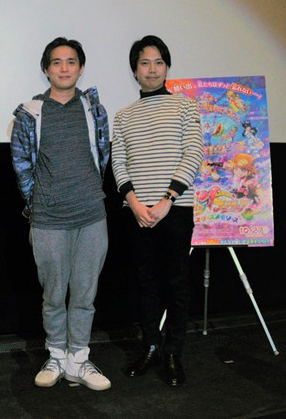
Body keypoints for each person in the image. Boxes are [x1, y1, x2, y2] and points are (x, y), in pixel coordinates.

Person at [10, 37, 111, 391]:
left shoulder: (94, 109)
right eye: (56, 62)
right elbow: (21, 166)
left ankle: (78, 361)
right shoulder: (29, 113)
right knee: (53, 295)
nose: (64, 68)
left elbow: (102, 156)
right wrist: (38, 204)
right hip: (48, 219)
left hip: (91, 215)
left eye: (71, 62)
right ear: (46, 69)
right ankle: (55, 355)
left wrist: (90, 192)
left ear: (81, 68)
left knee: (84, 294)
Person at [111, 35, 203, 387]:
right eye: (145, 63)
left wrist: (167, 200)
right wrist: (135, 203)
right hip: (136, 212)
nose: (152, 69)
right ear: (134, 70)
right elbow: (118, 162)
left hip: (174, 210)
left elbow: (193, 153)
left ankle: (173, 352)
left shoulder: (185, 107)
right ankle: (150, 346)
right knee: (144, 281)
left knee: (177, 282)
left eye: (159, 62)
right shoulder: (123, 115)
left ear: (167, 67)